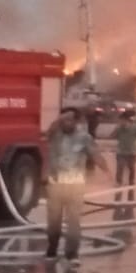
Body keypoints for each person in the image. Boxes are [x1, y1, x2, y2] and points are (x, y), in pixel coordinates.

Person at [43, 107, 99, 264]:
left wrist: (107, 172)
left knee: (74, 221)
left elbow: (95, 154)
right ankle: (52, 249)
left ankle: (72, 254)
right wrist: (61, 118)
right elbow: (49, 131)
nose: (66, 123)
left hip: (75, 186)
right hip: (56, 185)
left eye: (70, 120)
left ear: (76, 121)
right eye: (64, 120)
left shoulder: (84, 138)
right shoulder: (55, 135)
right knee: (53, 221)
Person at [113, 109, 136, 199]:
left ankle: (131, 182)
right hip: (121, 152)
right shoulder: (118, 128)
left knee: (132, 168)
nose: (121, 122)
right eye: (120, 120)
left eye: (122, 120)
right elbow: (112, 136)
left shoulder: (135, 127)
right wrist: (117, 130)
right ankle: (118, 182)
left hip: (132, 152)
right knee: (120, 167)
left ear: (127, 120)